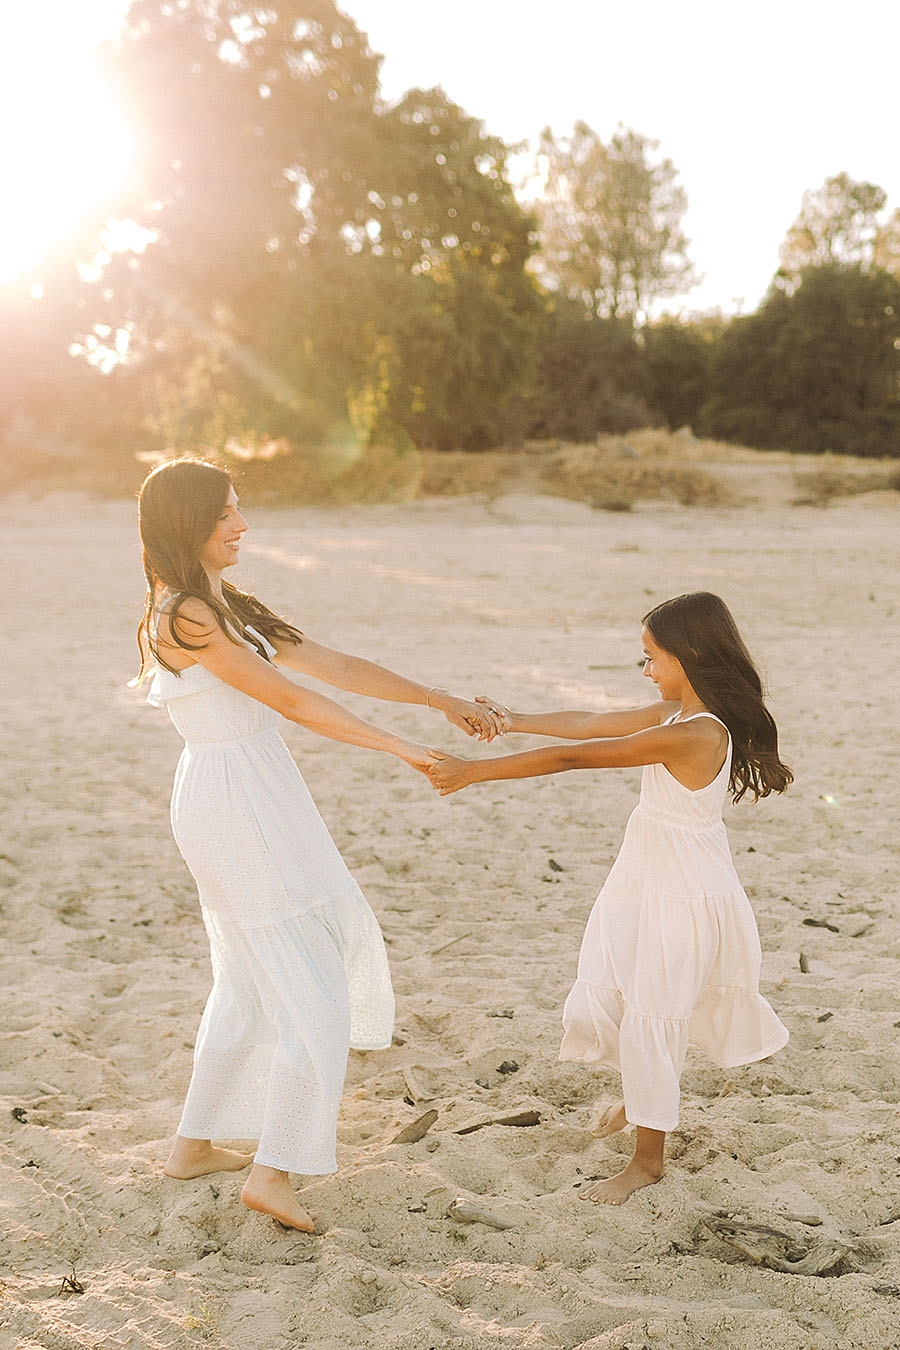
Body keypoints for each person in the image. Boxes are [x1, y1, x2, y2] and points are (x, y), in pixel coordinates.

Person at [135, 457, 500, 1232]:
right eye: (225, 513)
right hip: (236, 800)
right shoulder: (185, 616)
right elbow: (291, 698)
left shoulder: (222, 602)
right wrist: (402, 750)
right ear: (185, 523)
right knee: (313, 986)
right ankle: (274, 1171)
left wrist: (437, 699)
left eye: (239, 509)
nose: (241, 525)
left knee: (248, 980)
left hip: (250, 791)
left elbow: (327, 664)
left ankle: (192, 1146)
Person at [427, 592, 792, 1205]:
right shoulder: (676, 717)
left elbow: (577, 756)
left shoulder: (695, 733)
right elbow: (589, 724)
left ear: (691, 656)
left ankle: (647, 1162)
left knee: (656, 1007)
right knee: (629, 984)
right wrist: (511, 719)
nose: (645, 669)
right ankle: (645, 1095)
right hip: (652, 881)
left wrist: (473, 772)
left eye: (651, 657)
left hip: (682, 894)